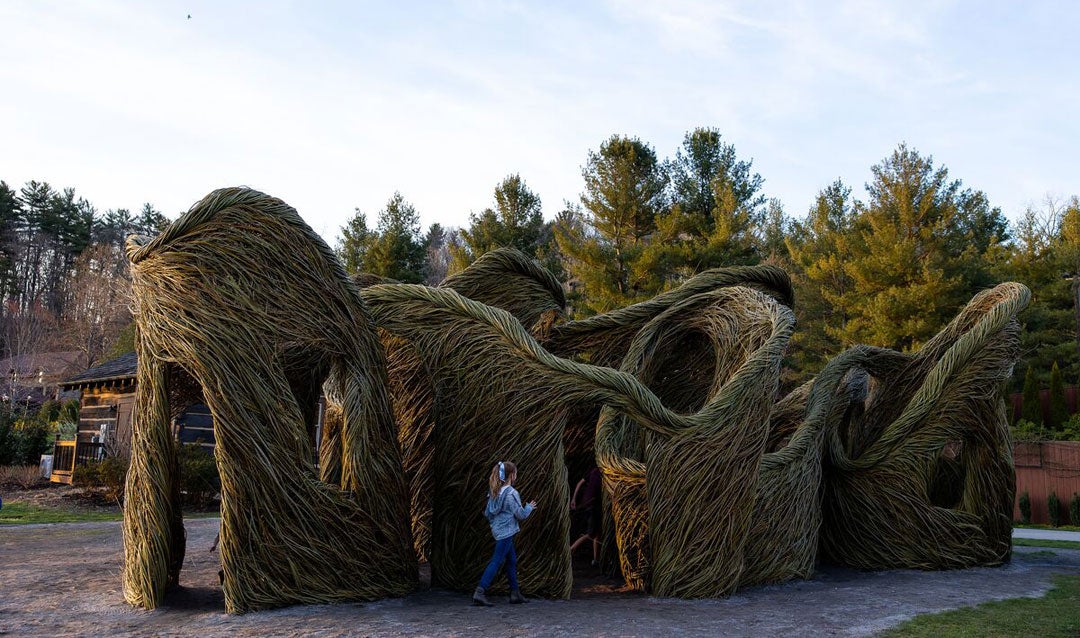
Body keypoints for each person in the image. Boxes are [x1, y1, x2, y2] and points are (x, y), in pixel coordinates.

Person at [472, 460, 536, 606]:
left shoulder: (495, 491)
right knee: (496, 560)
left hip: (498, 530)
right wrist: (529, 507)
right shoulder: (511, 494)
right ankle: (480, 591)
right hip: (507, 532)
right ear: (512, 475)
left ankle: (515, 593)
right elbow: (520, 515)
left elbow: (488, 513)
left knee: (511, 560)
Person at [569, 464, 602, 567]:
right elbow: (580, 483)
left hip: (591, 504)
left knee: (596, 533)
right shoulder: (599, 473)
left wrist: (574, 499)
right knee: (591, 533)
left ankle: (596, 560)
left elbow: (580, 483)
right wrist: (574, 499)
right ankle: (570, 550)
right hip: (591, 504)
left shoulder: (595, 471)